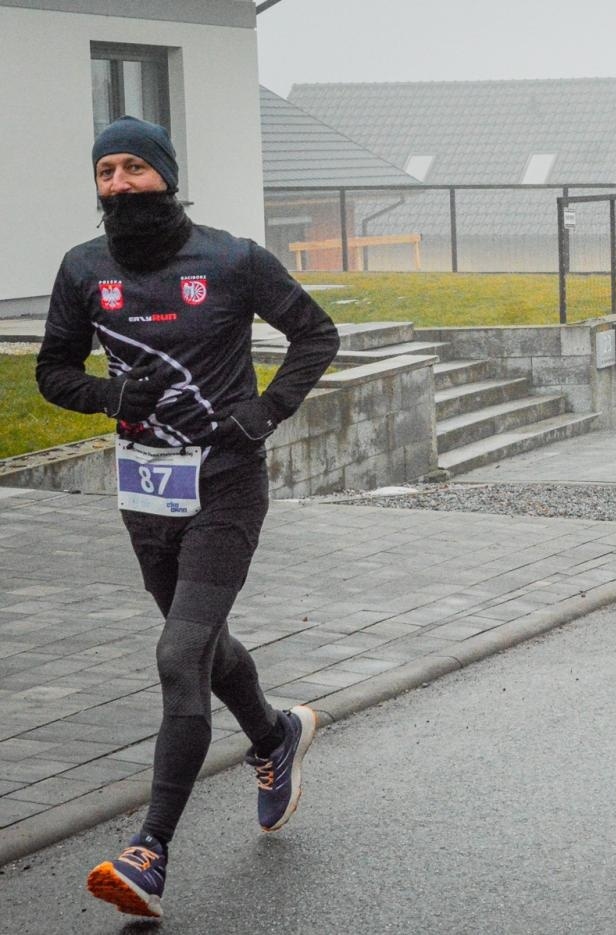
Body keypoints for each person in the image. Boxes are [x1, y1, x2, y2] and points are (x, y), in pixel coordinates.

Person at [34, 116, 339, 918]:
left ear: (166, 174)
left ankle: (149, 851)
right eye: (106, 172)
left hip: (227, 485)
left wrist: (263, 411)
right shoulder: (82, 268)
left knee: (178, 653)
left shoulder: (231, 257)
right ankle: (274, 737)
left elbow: (315, 333)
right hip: (146, 493)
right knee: (198, 640)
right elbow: (52, 372)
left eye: (134, 167)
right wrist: (107, 395)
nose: (119, 184)